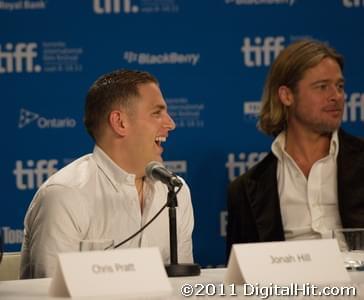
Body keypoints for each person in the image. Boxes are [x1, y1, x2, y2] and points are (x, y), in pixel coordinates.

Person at [20, 69, 195, 278]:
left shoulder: (176, 191)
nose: (171, 124)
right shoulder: (64, 195)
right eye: (157, 113)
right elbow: (50, 292)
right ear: (120, 122)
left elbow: (184, 285)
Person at [226, 39, 364, 258]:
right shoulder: (247, 190)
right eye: (322, 87)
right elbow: (242, 274)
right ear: (287, 95)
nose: (336, 96)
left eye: (339, 86)